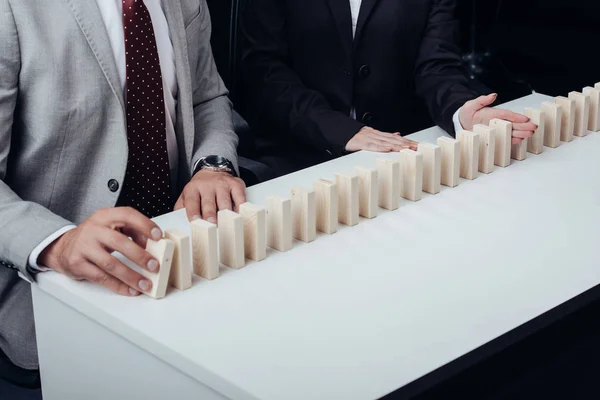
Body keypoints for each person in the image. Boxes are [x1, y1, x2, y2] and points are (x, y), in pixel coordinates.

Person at [0, 0, 245, 385]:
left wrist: (213, 165)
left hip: (187, 266)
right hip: (61, 302)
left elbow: (207, 97)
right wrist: (57, 244)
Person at [240, 0, 537, 177]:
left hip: (401, 154)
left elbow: (437, 65)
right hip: (300, 154)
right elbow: (264, 73)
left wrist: (462, 113)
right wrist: (343, 131)